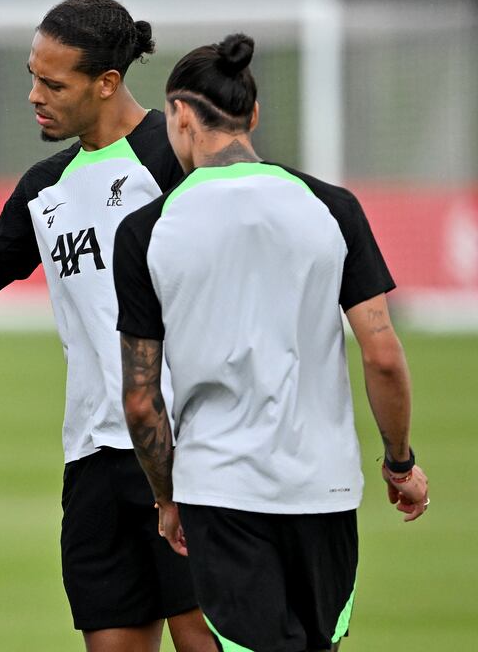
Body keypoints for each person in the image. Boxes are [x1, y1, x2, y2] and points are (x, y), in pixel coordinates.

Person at [0, 0, 213, 651]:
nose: (34, 95)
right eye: (32, 75)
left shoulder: (175, 157)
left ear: (107, 83)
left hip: (189, 452)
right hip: (93, 460)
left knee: (203, 637)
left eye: (52, 83)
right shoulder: (44, 187)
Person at [115, 33, 429, 652]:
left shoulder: (147, 230)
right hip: (326, 490)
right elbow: (384, 356)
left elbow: (141, 402)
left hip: (220, 490)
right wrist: (399, 463)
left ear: (179, 115)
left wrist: (166, 497)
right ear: (252, 116)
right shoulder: (332, 207)